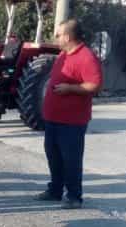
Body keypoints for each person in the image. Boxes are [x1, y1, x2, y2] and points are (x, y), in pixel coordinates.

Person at [34, 19, 103, 210]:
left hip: (72, 121)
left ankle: (74, 196)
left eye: (58, 34)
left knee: (71, 159)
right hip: (53, 119)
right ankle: (55, 190)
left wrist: (70, 88)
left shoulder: (86, 56)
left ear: (67, 36)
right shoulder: (63, 55)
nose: (55, 37)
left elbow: (94, 85)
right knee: (53, 156)